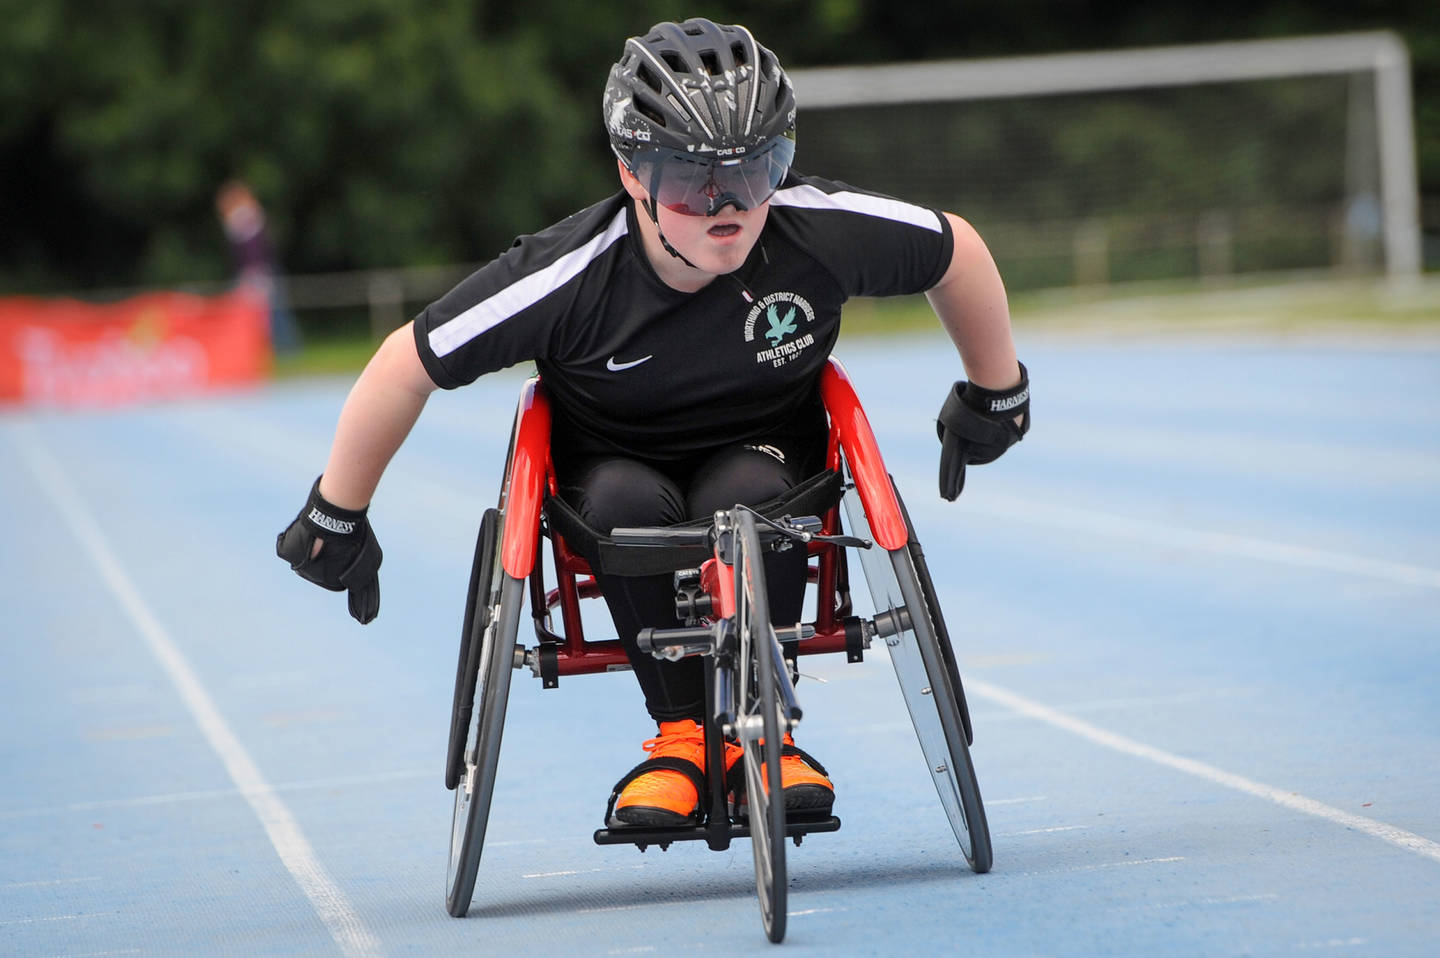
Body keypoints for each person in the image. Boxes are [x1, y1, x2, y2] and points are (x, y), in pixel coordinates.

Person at [277, 18, 1029, 830]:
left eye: (757, 170)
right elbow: (406, 363)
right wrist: (337, 510)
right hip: (613, 468)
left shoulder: (813, 229)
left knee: (749, 491)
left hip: (768, 452)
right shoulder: (569, 275)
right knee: (629, 505)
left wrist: (996, 389)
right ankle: (682, 739)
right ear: (633, 173)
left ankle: (763, 740)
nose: (730, 206)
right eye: (692, 181)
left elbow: (956, 250)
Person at [216, 179, 302, 355]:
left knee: (276, 313)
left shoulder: (247, 221)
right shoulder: (243, 222)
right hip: (255, 272)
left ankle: (288, 351)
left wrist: (257, 274)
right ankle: (269, 351)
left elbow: (256, 252)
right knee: (264, 315)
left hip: (261, 272)